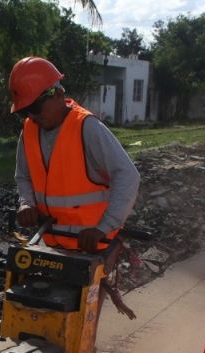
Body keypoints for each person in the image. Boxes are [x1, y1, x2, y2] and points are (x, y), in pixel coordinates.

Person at [9, 56, 140, 253]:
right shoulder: (29, 132)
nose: (33, 116)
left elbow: (127, 175)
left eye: (35, 107)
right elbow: (24, 176)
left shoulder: (87, 127)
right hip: (51, 244)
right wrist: (26, 204)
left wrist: (103, 228)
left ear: (57, 94)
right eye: (26, 111)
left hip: (92, 244)